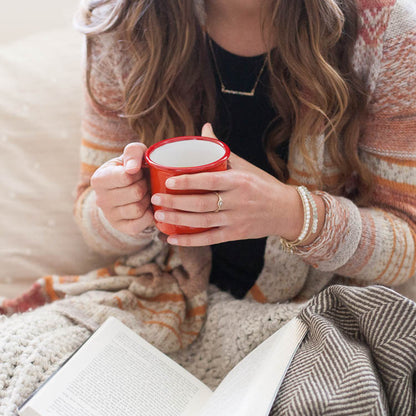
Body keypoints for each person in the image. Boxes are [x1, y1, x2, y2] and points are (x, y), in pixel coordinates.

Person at [74, 0, 416, 301]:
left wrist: (294, 214)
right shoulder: (120, 22)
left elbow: (406, 246)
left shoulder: (385, 31)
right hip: (165, 293)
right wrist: (124, 210)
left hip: (318, 312)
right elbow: (90, 214)